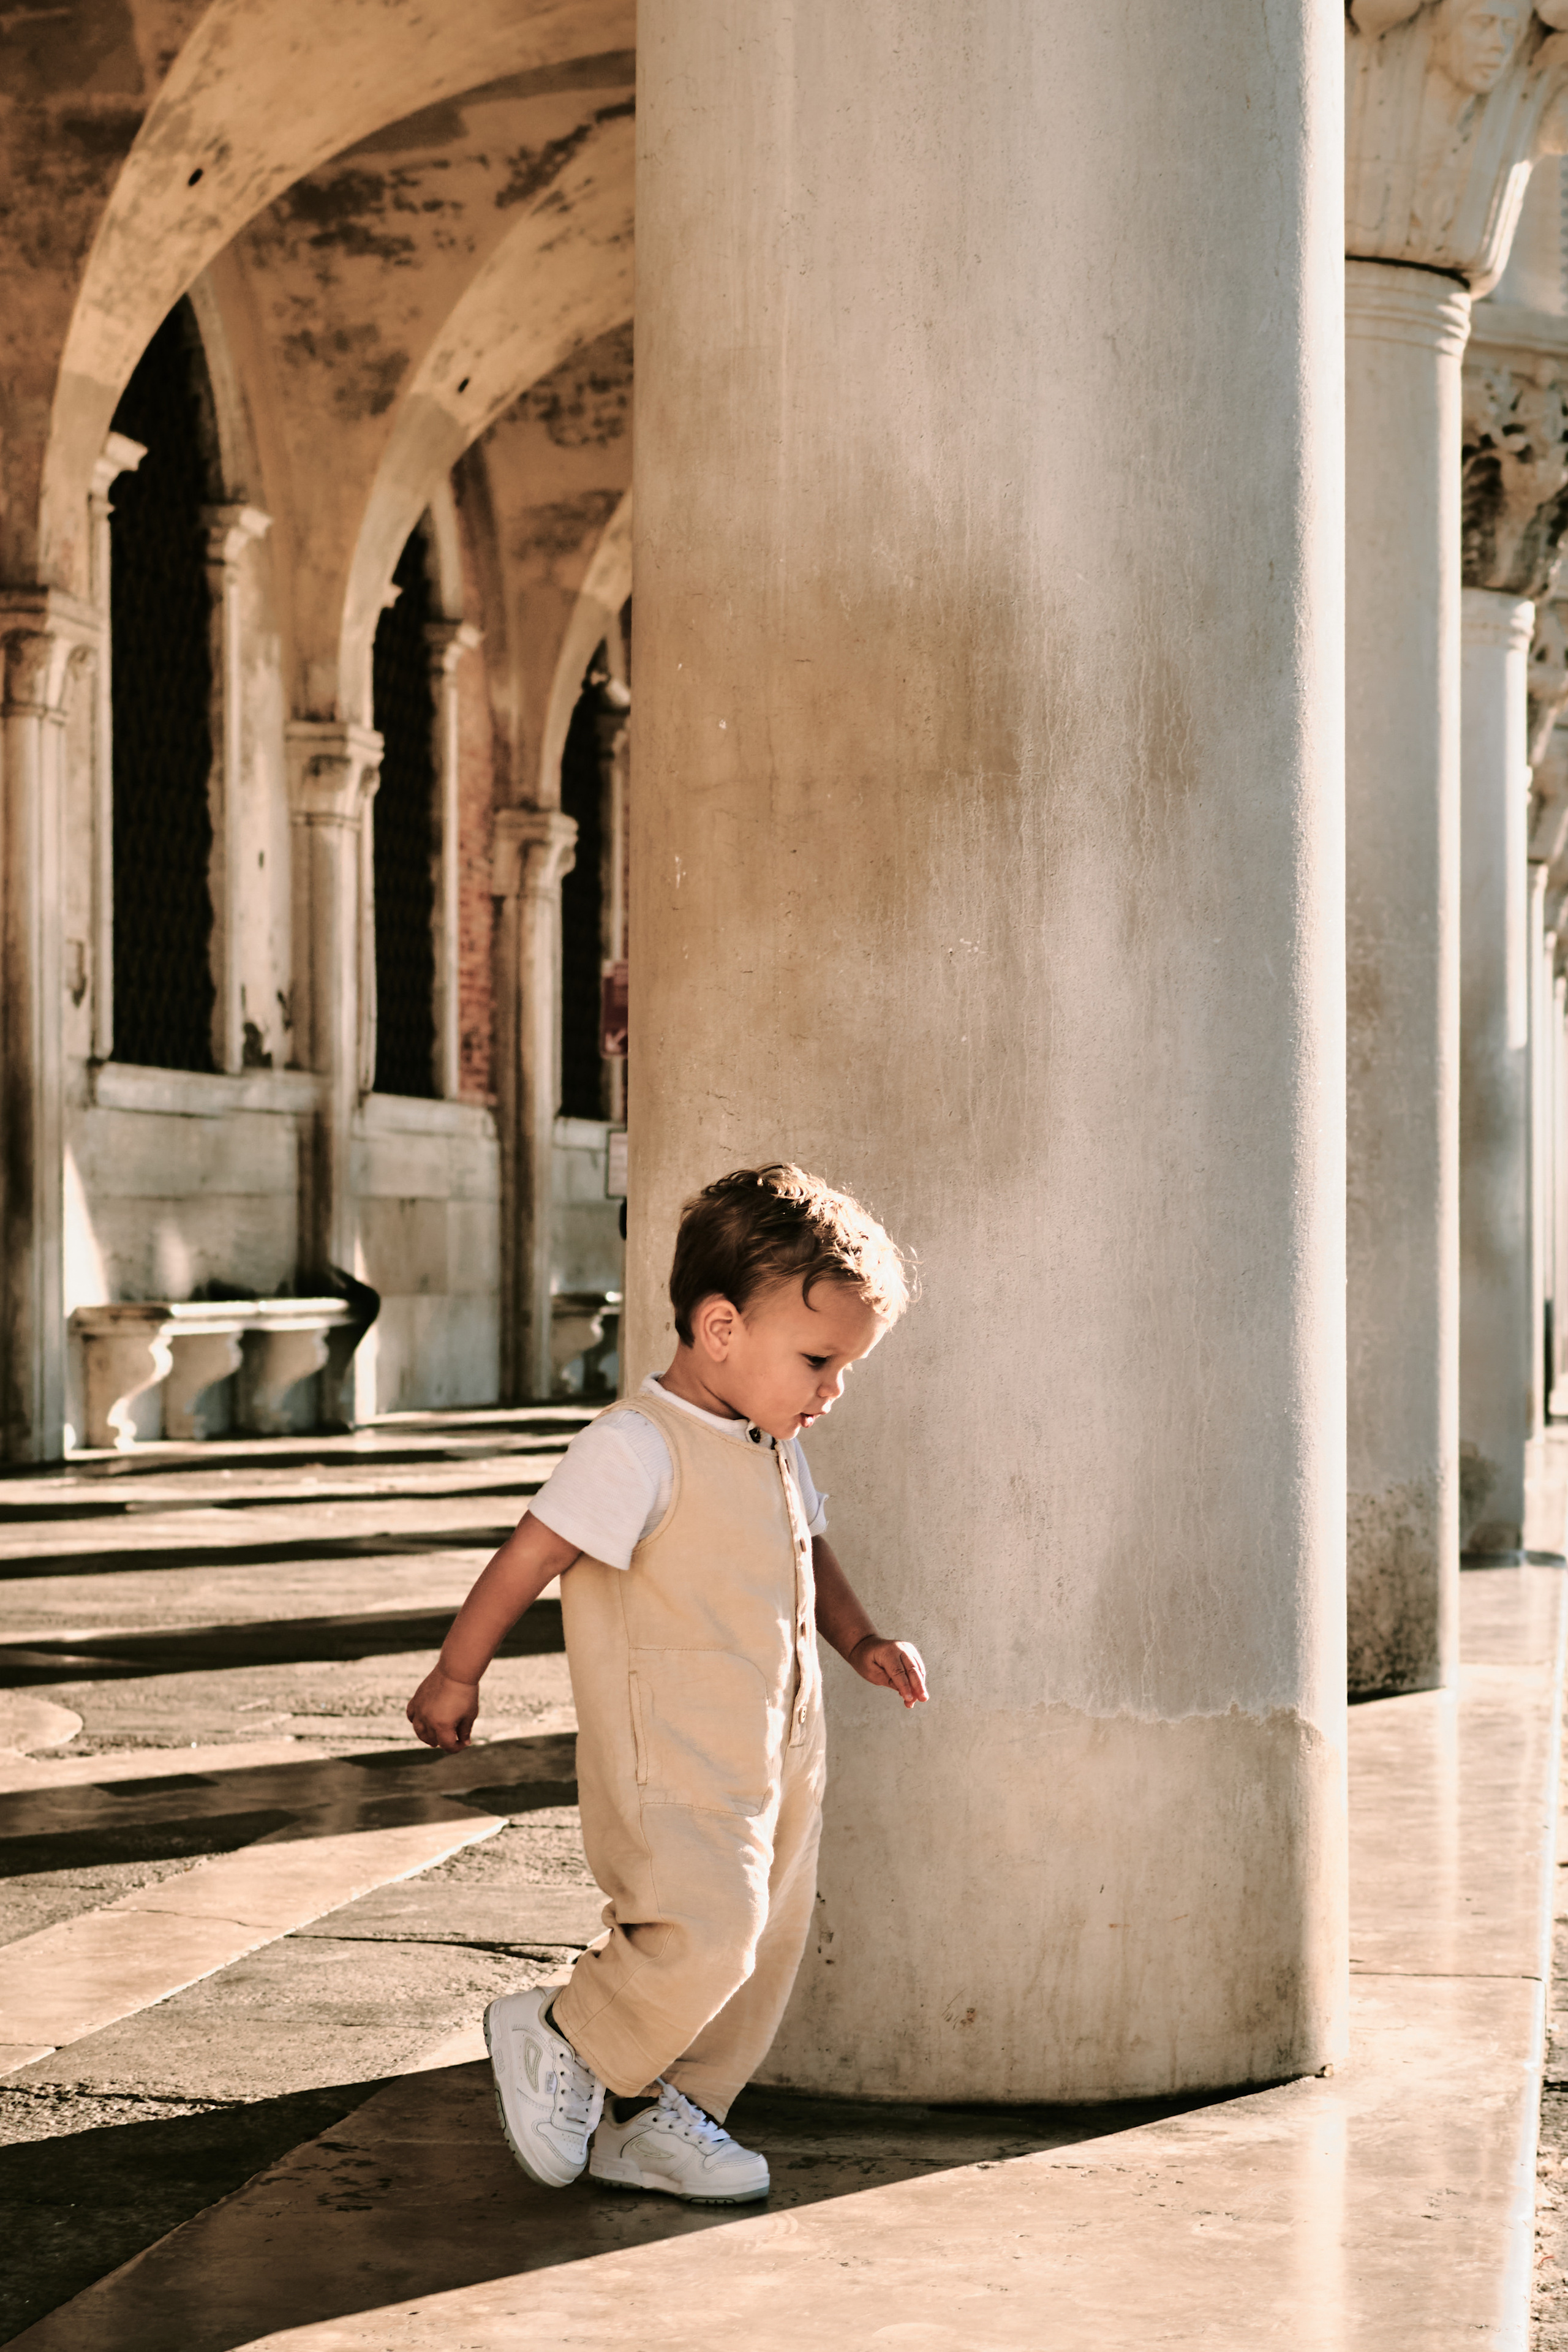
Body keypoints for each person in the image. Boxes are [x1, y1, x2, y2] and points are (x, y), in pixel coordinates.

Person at [406, 1163, 927, 2205]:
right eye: (820, 1360)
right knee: (706, 1927)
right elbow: (530, 1555)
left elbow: (807, 1550)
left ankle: (657, 2118)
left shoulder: (768, 1443)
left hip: (774, 1745)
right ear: (722, 1329)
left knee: (762, 1943)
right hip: (674, 1751)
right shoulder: (637, 1446)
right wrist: (457, 1672)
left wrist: (861, 1638)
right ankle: (564, 2031)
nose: (834, 1389)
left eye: (847, 1369)